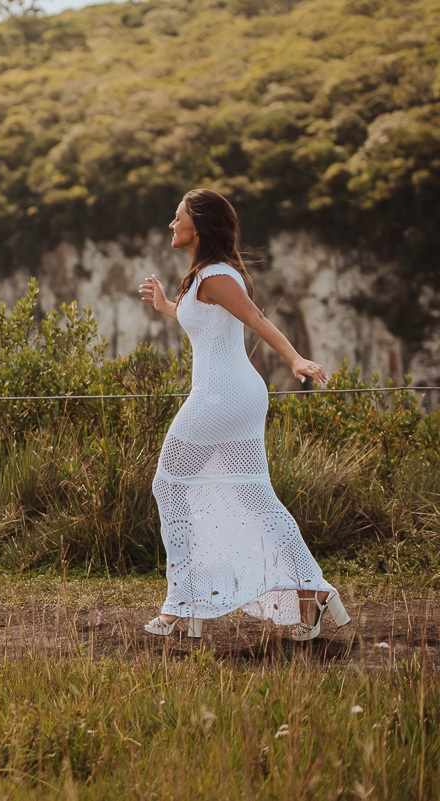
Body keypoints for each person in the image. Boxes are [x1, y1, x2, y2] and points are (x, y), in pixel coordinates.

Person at [138, 188, 349, 641]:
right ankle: (310, 592)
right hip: (232, 396)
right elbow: (211, 328)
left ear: (199, 225)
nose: (171, 225)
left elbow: (256, 318)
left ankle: (184, 605)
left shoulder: (215, 275)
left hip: (221, 397)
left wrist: (295, 360)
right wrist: (168, 308)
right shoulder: (205, 278)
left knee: (169, 485)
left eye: (178, 218)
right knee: (253, 497)